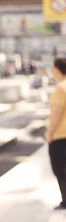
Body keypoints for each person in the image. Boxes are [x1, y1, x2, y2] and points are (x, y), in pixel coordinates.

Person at [47, 57, 66, 210]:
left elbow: (58, 113)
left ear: (58, 69)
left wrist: (50, 133)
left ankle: (65, 200)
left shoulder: (61, 87)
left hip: (60, 135)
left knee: (59, 168)